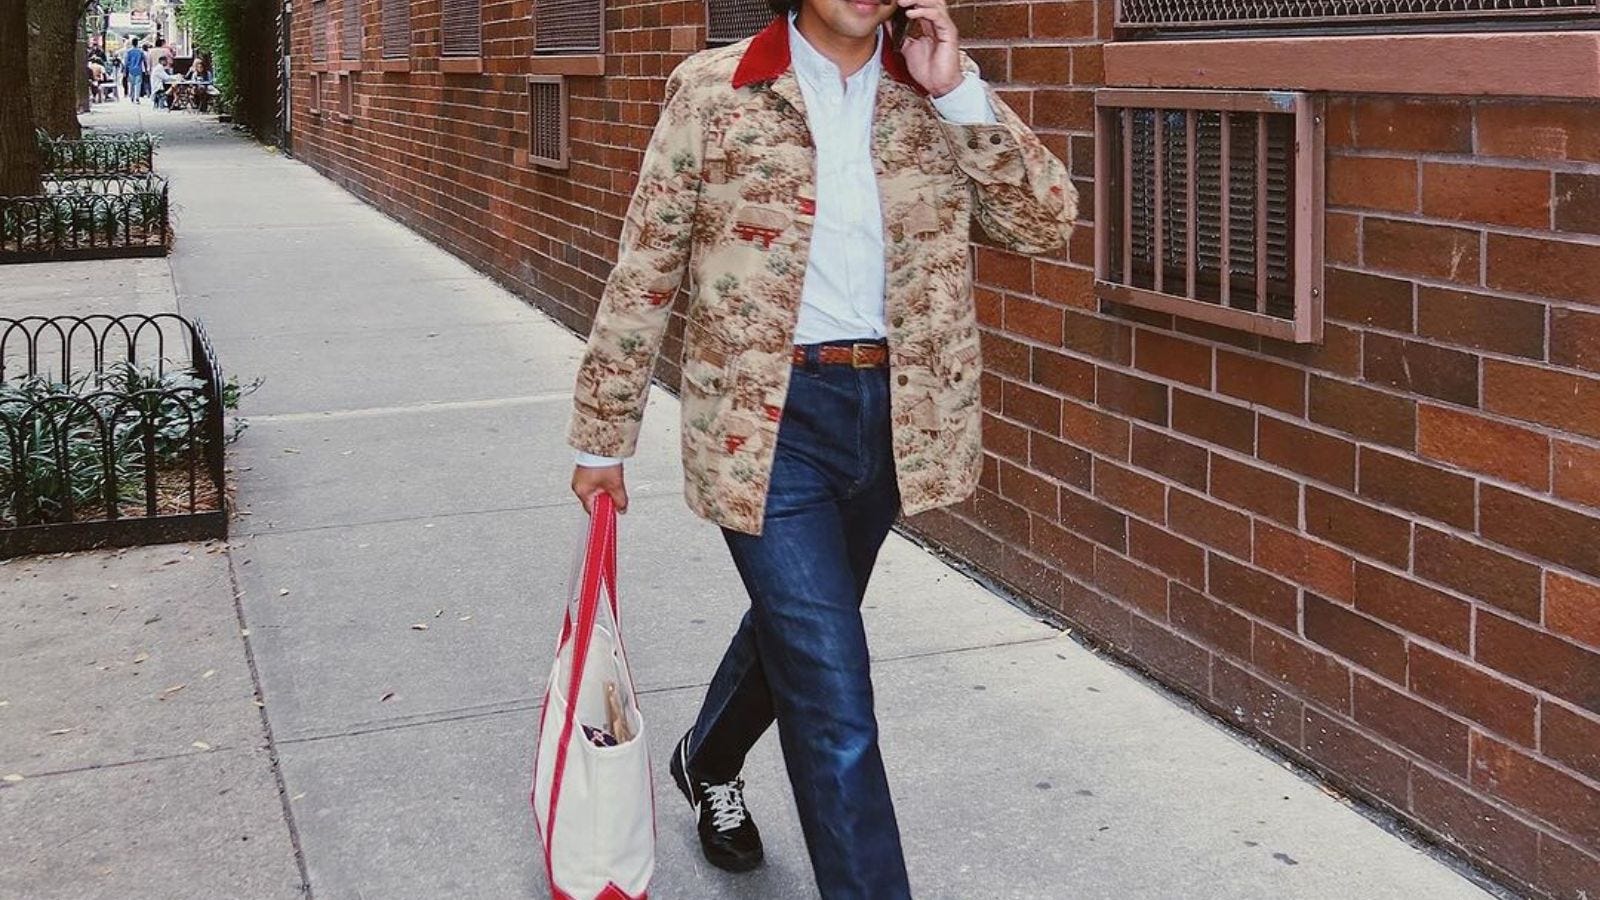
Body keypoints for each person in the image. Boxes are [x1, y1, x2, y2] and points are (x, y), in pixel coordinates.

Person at [565, 0, 1075, 895]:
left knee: (803, 634)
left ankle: (708, 759)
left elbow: (1045, 224)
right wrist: (603, 434)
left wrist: (959, 94)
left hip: (896, 418)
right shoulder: (717, 90)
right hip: (765, 423)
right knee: (835, 696)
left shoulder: (929, 92)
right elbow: (647, 263)